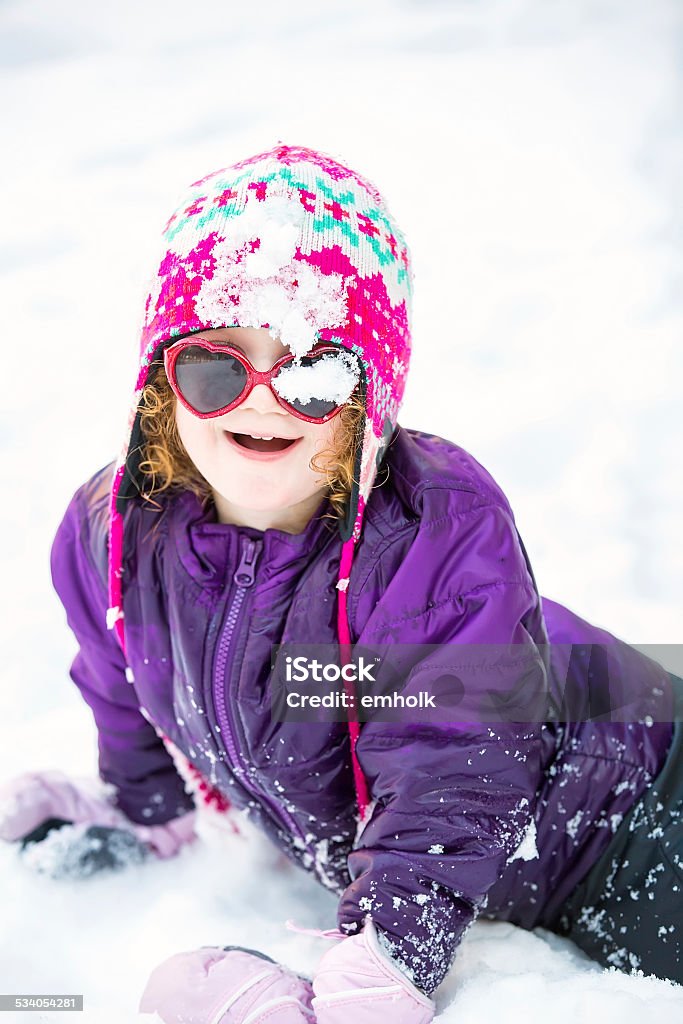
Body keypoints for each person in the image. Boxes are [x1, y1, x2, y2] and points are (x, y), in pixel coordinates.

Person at [1, 143, 681, 1023]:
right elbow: (119, 676)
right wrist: (146, 805)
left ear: (370, 397)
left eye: (314, 371)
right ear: (160, 385)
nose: (262, 399)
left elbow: (460, 757)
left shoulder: (434, 524)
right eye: (216, 365)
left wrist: (391, 948)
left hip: (623, 803)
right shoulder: (113, 533)